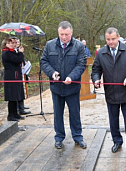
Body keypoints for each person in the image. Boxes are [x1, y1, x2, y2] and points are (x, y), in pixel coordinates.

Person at [91, 27, 126, 158]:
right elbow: (95, 70)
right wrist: (96, 80)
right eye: (108, 39)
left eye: (113, 39)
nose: (111, 42)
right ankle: (117, 142)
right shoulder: (100, 53)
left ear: (118, 37)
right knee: (113, 120)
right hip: (111, 92)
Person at [40, 21, 87, 149]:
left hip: (72, 87)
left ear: (71, 33)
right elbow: (44, 62)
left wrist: (72, 76)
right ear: (58, 33)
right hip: (56, 87)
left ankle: (78, 137)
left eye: (67, 34)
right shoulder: (50, 45)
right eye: (61, 34)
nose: (64, 37)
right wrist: (52, 73)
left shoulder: (78, 46)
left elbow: (81, 64)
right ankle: (59, 137)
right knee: (58, 114)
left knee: (75, 113)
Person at [1, 38, 25, 121]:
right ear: (5, 44)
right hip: (11, 76)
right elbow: (18, 60)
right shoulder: (6, 53)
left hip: (16, 76)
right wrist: (21, 53)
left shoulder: (12, 52)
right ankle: (10, 115)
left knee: (16, 96)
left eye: (13, 43)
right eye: (10, 43)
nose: (12, 44)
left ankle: (15, 113)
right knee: (12, 97)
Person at [10, 37, 31, 115]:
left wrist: (27, 74)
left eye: (17, 42)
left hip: (21, 72)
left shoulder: (19, 51)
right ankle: (19, 108)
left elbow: (22, 62)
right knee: (17, 92)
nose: (16, 44)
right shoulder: (13, 52)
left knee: (21, 91)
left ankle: (21, 107)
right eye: (15, 43)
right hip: (15, 75)